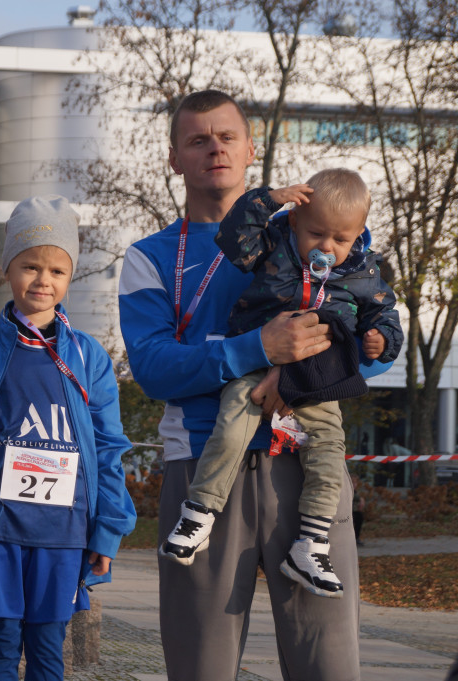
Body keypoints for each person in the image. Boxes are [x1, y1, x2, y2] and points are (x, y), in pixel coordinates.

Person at [118, 89, 390, 680]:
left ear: (250, 149)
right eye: (197, 139)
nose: (214, 148)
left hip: (306, 460)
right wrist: (256, 349)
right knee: (201, 666)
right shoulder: (149, 258)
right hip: (203, 466)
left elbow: (370, 354)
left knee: (330, 665)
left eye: (226, 137)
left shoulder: (320, 232)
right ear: (174, 158)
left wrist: (291, 373)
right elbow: (154, 366)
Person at [0, 195, 137, 681]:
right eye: (30, 266)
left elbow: (108, 450)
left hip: (63, 536)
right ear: (9, 269)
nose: (43, 280)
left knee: (47, 651)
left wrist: (108, 529)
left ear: (69, 277)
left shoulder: (90, 358)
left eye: (57, 270)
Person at [160, 170, 402, 599]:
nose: (327, 247)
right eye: (316, 233)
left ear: (358, 236)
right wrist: (266, 201)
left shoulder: (363, 271)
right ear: (294, 221)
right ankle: (199, 512)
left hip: (319, 378)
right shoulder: (274, 246)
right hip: (258, 360)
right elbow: (234, 240)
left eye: (340, 239)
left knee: (329, 447)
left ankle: (312, 542)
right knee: (233, 421)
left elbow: (383, 314)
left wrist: (382, 340)